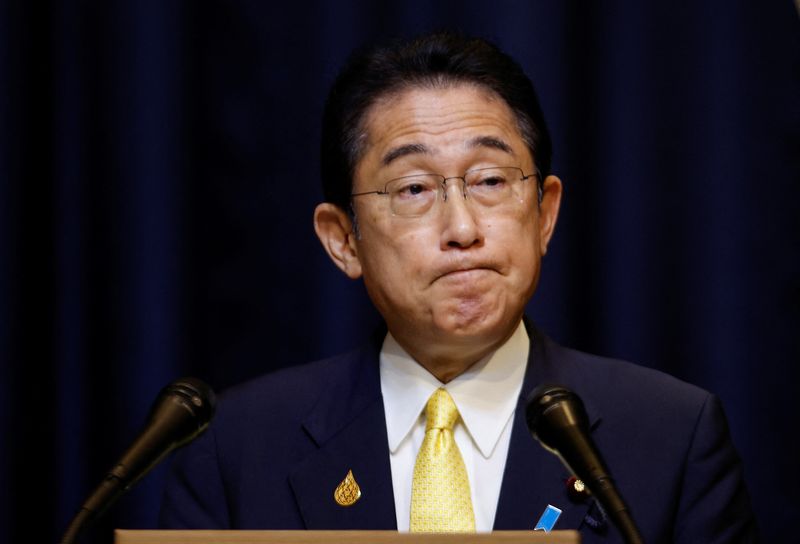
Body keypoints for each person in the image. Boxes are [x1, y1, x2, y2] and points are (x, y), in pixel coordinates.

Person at [159, 31, 758, 542]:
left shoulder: (672, 435)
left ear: (545, 213)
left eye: (491, 180)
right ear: (343, 239)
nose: (463, 228)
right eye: (414, 189)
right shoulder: (236, 448)